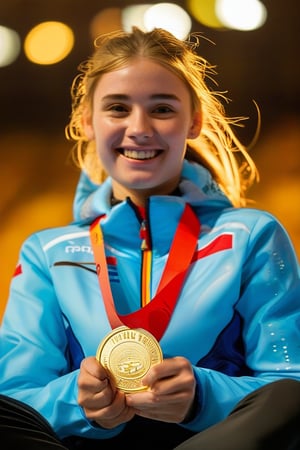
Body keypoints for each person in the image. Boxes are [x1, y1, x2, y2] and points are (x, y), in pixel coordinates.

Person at [0, 26, 300, 450]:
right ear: (87, 121)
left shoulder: (252, 235)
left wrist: (202, 396)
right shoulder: (46, 252)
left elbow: (289, 382)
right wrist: (76, 401)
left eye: (161, 109)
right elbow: (15, 397)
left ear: (193, 120)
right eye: (118, 109)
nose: (139, 128)